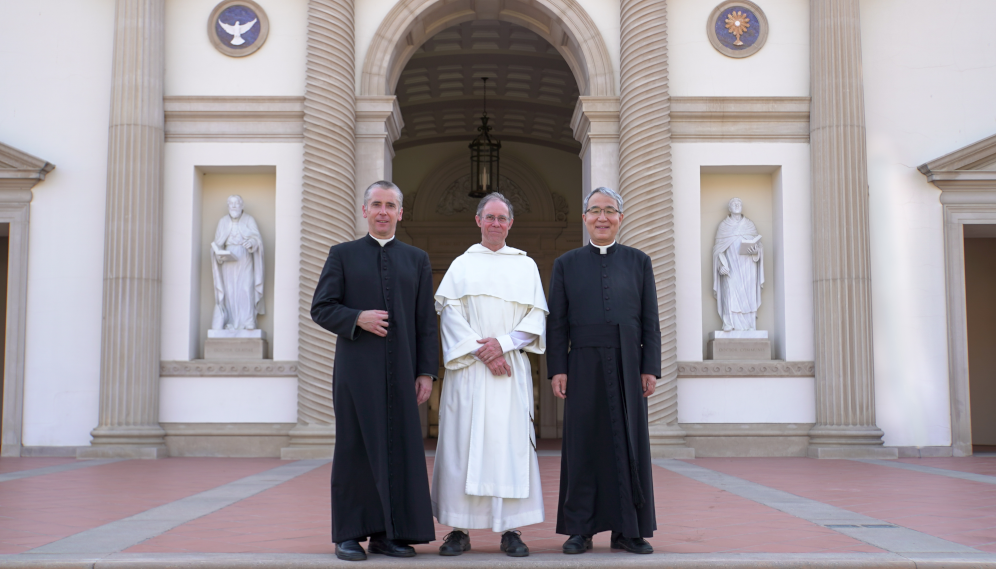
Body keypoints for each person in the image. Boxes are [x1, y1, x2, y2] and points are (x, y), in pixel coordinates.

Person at [311, 180, 439, 562]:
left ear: (401, 213)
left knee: (400, 449)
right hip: (356, 372)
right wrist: (357, 318)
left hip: (402, 371)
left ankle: (390, 535)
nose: (383, 211)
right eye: (376, 204)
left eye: (390, 205)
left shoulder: (417, 259)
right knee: (354, 449)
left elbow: (425, 323)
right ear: (365, 210)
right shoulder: (342, 255)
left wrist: (425, 372)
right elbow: (321, 307)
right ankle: (349, 535)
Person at [431, 193, 548, 558]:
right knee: (461, 446)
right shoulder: (461, 265)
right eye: (490, 217)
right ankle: (458, 529)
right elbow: (449, 314)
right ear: (478, 221)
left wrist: (501, 345)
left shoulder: (525, 266)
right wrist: (482, 351)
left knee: (507, 446)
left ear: (511, 223)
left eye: (502, 218)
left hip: (508, 371)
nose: (496, 223)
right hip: (469, 371)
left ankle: (510, 529)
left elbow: (536, 317)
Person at [547, 186, 659, 555]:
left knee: (630, 444)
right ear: (585, 219)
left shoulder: (639, 261)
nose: (602, 217)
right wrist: (557, 368)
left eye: (609, 211)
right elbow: (557, 323)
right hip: (581, 362)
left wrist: (650, 367)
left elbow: (650, 321)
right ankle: (580, 529)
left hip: (628, 361)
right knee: (583, 445)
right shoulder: (566, 263)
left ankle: (629, 529)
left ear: (620, 218)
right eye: (595, 210)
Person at [210, 195, 264, 331]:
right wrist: (218, 253)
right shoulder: (222, 222)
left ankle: (248, 321)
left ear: (242, 205)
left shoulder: (249, 220)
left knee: (246, 288)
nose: (234, 206)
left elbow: (257, 239)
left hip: (245, 257)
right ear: (228, 206)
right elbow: (217, 243)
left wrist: (251, 242)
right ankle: (231, 322)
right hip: (228, 261)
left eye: (236, 203)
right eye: (231, 203)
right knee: (230, 291)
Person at [712, 197, 763, 331]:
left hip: (748, 267)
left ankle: (749, 324)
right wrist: (720, 266)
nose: (737, 205)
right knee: (730, 292)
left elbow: (759, 246)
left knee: (748, 295)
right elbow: (717, 250)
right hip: (731, 267)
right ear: (729, 208)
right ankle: (729, 322)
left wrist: (756, 252)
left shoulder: (749, 225)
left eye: (739, 203)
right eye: (733, 203)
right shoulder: (724, 226)